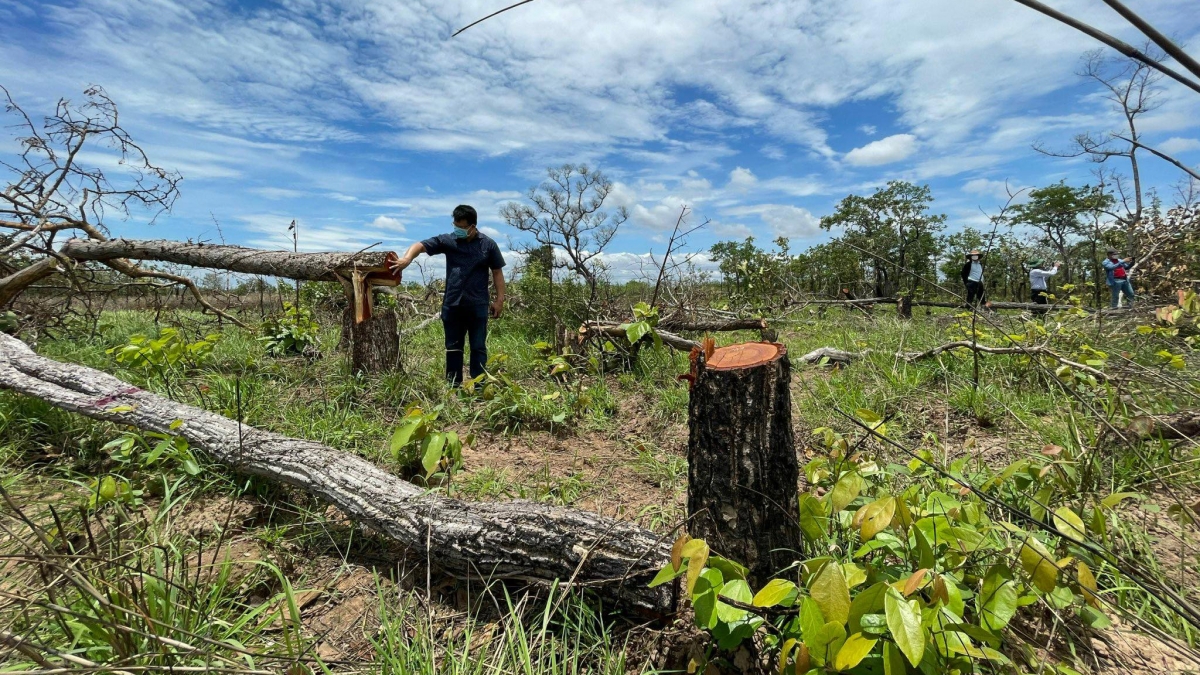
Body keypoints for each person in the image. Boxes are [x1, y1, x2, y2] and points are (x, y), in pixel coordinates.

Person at [392, 205, 507, 385]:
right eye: (455, 225)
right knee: (453, 348)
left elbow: (497, 272)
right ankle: (453, 387)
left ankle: (479, 387)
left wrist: (499, 301)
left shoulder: (488, 245)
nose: (457, 230)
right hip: (453, 304)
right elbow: (420, 245)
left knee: (478, 348)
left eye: (461, 227)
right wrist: (407, 258)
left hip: (478, 305)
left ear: (472, 226)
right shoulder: (448, 240)